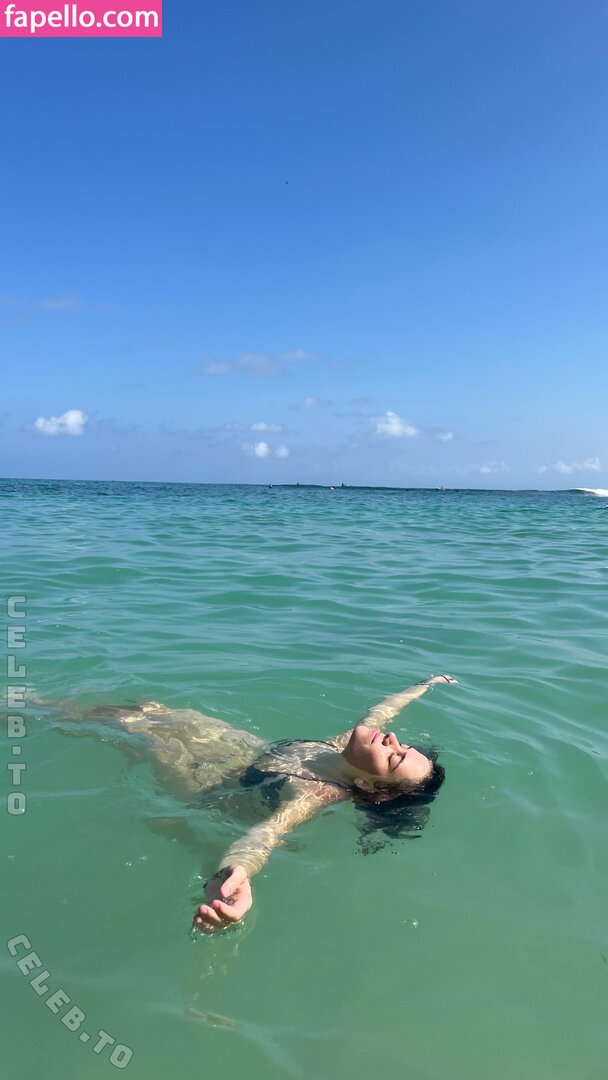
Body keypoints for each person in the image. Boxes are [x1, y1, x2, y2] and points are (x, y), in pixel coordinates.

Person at [49, 674, 456, 933]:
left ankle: (36, 710)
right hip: (239, 754)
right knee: (148, 711)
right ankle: (45, 707)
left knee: (133, 731)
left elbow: (267, 834)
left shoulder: (318, 792)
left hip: (206, 786)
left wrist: (238, 873)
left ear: (367, 785)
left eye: (394, 758)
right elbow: (382, 713)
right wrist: (425, 685)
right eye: (402, 746)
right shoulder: (341, 745)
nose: (392, 741)